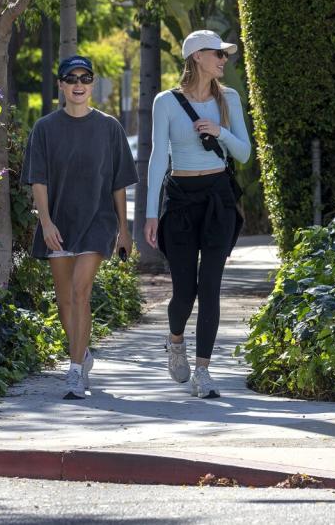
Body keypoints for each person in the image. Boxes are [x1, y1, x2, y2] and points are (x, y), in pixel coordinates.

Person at [22, 55, 137, 400]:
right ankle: (82, 352)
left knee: (79, 292)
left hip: (97, 223)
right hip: (59, 222)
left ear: (92, 84)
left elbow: (118, 184)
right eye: (71, 78)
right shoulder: (44, 128)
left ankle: (74, 372)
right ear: (60, 84)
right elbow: (38, 180)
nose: (78, 84)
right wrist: (45, 222)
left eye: (85, 78)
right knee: (64, 300)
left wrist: (124, 229)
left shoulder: (110, 127)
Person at [144, 29, 251, 399]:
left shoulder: (229, 98)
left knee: (210, 287)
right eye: (217, 54)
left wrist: (220, 131)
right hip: (180, 199)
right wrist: (150, 213)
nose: (223, 59)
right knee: (184, 291)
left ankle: (203, 371)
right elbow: (159, 157)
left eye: (225, 54)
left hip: (218, 197)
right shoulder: (166, 102)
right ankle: (176, 343)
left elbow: (244, 153)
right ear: (196, 58)